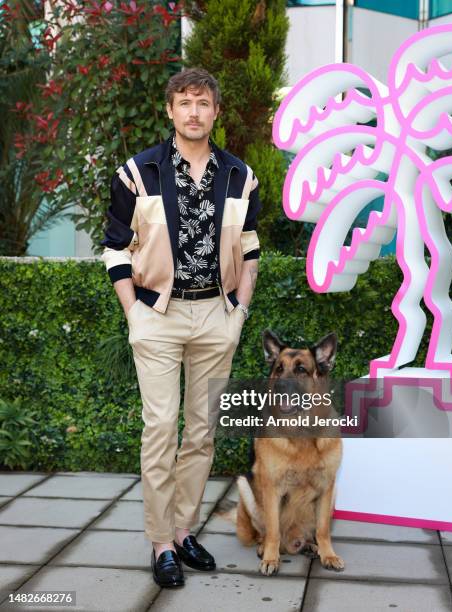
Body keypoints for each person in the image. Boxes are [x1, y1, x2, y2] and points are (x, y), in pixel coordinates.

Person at [100, 67, 261, 588]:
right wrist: (134, 312)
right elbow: (114, 248)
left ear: (216, 112)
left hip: (217, 314)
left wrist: (238, 312)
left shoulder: (241, 176)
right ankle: (161, 542)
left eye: (204, 103)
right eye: (185, 102)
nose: (194, 111)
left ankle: (186, 529)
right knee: (162, 428)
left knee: (201, 433)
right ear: (169, 110)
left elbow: (252, 251)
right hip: (157, 315)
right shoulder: (137, 173)